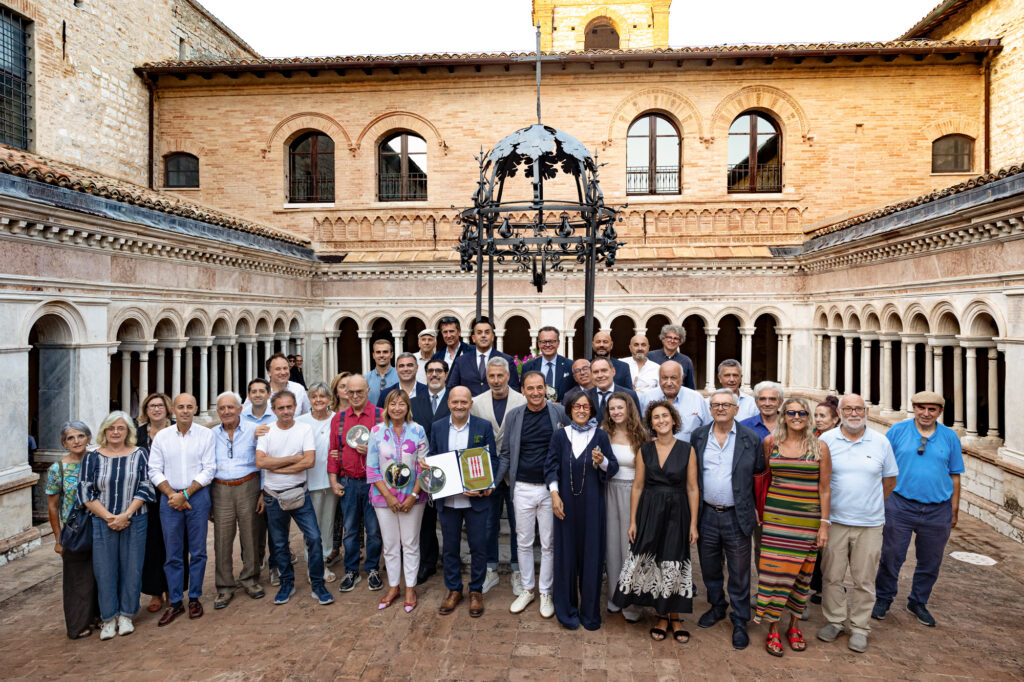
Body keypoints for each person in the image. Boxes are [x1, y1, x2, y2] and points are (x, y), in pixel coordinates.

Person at [873, 390, 964, 628]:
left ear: (940, 412)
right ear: (913, 408)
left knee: (931, 561)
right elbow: (882, 467)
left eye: (932, 409)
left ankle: (918, 601)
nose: (926, 413)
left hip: (937, 509)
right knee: (892, 556)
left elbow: (955, 475)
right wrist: (880, 499)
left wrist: (954, 509)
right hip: (900, 504)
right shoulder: (898, 431)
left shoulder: (949, 437)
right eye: (921, 408)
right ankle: (883, 598)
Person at [817, 394, 898, 653]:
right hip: (835, 521)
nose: (854, 413)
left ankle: (860, 627)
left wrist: (868, 504)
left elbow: (890, 481)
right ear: (839, 413)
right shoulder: (826, 440)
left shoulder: (881, 442)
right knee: (832, 575)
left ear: (867, 412)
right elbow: (820, 481)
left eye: (859, 409)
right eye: (848, 409)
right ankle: (835, 620)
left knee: (864, 579)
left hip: (870, 524)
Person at [613, 400, 699, 641]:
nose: (661, 421)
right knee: (654, 561)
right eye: (656, 417)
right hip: (650, 510)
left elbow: (692, 488)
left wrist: (693, 524)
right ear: (651, 424)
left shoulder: (687, 450)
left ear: (673, 419)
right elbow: (637, 486)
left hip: (677, 511)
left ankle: (675, 617)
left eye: (665, 416)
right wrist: (633, 521)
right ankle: (662, 616)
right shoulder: (645, 450)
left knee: (674, 561)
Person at [755, 397, 831, 657]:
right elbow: (767, 478)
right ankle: (773, 627)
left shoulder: (820, 446)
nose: (796, 417)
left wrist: (824, 525)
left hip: (807, 520)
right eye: (791, 412)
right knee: (774, 574)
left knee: (802, 575)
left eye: (801, 413)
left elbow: (825, 488)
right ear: (783, 416)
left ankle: (794, 626)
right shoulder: (770, 442)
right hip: (776, 518)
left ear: (808, 417)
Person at [691, 389, 766, 650]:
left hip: (737, 515)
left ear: (736, 409)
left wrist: (755, 507)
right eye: (715, 405)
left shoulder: (750, 438)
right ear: (710, 409)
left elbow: (758, 473)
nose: (721, 408)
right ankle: (717, 605)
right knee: (710, 567)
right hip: (707, 513)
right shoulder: (699, 436)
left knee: (739, 571)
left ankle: (740, 618)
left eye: (726, 404)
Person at [547, 389, 619, 630]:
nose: (581, 410)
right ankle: (567, 611)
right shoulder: (560, 435)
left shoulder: (600, 436)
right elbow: (551, 466)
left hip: (592, 505)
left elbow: (613, 466)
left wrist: (602, 462)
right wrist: (554, 494)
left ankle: (589, 613)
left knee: (591, 557)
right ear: (569, 410)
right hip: (564, 504)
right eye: (576, 406)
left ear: (591, 410)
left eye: (585, 406)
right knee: (566, 556)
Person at [79, 411, 154, 640]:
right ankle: (109, 618)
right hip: (102, 521)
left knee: (132, 568)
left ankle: (127, 615)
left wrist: (126, 514)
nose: (115, 432)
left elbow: (146, 485)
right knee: (105, 570)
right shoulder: (92, 457)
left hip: (135, 518)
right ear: (104, 430)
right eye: (111, 428)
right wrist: (109, 517)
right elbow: (85, 491)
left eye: (121, 428)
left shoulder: (140, 454)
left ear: (128, 431)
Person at [255, 391, 334, 606]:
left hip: (299, 493)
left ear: (295, 407)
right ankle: (286, 583)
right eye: (281, 408)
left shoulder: (303, 428)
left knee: (314, 538)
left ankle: (317, 584)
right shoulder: (267, 430)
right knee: (279, 543)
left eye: (289, 407)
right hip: (273, 496)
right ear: (273, 410)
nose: (286, 411)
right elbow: (261, 462)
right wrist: (292, 460)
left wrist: (276, 466)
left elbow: (309, 461)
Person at [148, 393, 215, 626]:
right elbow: (154, 469)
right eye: (180, 407)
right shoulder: (162, 437)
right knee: (173, 553)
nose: (185, 411)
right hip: (169, 499)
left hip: (197, 497)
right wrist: (172, 494)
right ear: (173, 410)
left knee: (198, 551)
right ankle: (175, 602)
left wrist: (185, 495)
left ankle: (194, 598)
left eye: (189, 406)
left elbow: (209, 469)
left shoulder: (206, 434)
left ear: (196, 409)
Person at [499, 371, 562, 618]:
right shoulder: (514, 416)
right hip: (522, 487)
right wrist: (493, 483)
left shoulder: (559, 413)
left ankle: (545, 591)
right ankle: (527, 589)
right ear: (523, 390)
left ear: (546, 388)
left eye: (539, 387)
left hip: (550, 488)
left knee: (548, 543)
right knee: (523, 542)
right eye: (530, 388)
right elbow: (506, 453)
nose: (536, 393)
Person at [432, 386, 497, 618]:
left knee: (478, 547)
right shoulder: (438, 427)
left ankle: (476, 590)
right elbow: (434, 457)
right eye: (455, 402)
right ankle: (454, 590)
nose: (459, 406)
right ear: (448, 403)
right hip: (448, 500)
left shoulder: (483, 426)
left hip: (475, 500)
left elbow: (492, 459)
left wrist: (486, 484)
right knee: (450, 548)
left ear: (471, 403)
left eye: (464, 402)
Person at [366, 389, 428, 612]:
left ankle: (410, 587)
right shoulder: (376, 431)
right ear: (386, 407)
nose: (397, 408)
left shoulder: (418, 430)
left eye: (401, 404)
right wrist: (389, 496)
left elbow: (423, 466)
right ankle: (394, 586)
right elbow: (372, 469)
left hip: (413, 497)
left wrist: (413, 495)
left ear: (407, 407)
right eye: (392, 404)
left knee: (410, 543)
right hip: (384, 498)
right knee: (390, 544)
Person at [470, 356, 526, 595]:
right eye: (491, 376)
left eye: (500, 375)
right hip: (487, 475)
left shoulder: (522, 400)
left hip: (516, 473)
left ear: (508, 376)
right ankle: (490, 569)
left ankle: (517, 571)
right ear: (487, 378)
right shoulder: (476, 402)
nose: (496, 380)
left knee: (518, 525)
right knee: (488, 524)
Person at [328, 374, 385, 592]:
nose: (354, 396)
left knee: (374, 529)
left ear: (368, 391)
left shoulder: (381, 416)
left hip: (374, 483)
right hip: (349, 482)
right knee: (350, 530)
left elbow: (390, 450)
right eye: (350, 392)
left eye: (359, 391)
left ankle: (372, 568)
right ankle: (351, 570)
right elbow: (333, 452)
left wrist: (372, 450)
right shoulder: (339, 419)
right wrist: (334, 481)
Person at [211, 391, 266, 610]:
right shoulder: (211, 434)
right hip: (220, 488)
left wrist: (262, 492)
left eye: (230, 407)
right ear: (218, 411)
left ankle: (250, 579)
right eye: (222, 408)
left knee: (251, 534)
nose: (226, 412)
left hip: (248, 485)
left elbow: (263, 461)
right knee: (222, 539)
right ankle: (224, 586)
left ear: (240, 409)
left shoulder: (254, 430)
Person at [46, 421, 99, 639]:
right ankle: (78, 624)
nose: (76, 441)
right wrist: (58, 539)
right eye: (71, 438)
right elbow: (52, 507)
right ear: (64, 443)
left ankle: (98, 616)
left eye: (80, 436)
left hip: (99, 525)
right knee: (77, 580)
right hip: (74, 531)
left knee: (99, 574)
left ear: (88, 438)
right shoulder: (57, 469)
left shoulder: (98, 461)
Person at [601, 393, 648, 624]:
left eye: (620, 407)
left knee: (630, 546)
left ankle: (632, 601)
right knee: (611, 545)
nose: (616, 412)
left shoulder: (641, 434)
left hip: (633, 492)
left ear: (629, 408)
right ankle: (615, 596)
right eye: (612, 408)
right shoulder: (603, 432)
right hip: (608, 490)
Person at [135, 392, 178, 614]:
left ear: (167, 408)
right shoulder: (138, 434)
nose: (156, 409)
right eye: (152, 406)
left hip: (171, 492)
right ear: (146, 410)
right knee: (151, 544)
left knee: (173, 542)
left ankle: (173, 588)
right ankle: (155, 592)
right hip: (146, 495)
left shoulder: (177, 430)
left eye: (160, 405)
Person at [409, 358, 450, 584]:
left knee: (450, 520)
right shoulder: (414, 403)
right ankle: (428, 563)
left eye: (439, 371)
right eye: (430, 371)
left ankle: (451, 562)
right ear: (425, 375)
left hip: (448, 468)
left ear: (446, 374)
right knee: (425, 521)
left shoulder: (455, 399)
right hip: (422, 469)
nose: (434, 374)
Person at [296, 382, 337, 583]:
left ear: (329, 399)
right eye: (314, 396)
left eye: (322, 396)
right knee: (311, 528)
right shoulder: (300, 422)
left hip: (330, 481)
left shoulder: (337, 418)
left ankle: (323, 562)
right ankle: (313, 565)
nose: (318, 400)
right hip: (308, 481)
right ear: (309, 399)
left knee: (327, 524)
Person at [241, 378, 275, 582]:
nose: (258, 394)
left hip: (273, 476)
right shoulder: (241, 417)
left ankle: (275, 566)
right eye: (254, 391)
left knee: (276, 526)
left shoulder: (277, 415)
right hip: (250, 478)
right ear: (248, 395)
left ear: (269, 394)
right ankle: (254, 563)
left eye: (262, 391)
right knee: (252, 526)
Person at [809, 394, 840, 603]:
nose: (818, 419)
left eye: (823, 416)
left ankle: (826, 587)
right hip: (813, 498)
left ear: (835, 419)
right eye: (816, 415)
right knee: (816, 547)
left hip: (833, 497)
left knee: (830, 548)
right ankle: (817, 585)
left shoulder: (839, 439)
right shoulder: (812, 435)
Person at [639, 361, 711, 443]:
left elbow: (709, 429)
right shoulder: (646, 398)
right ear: (659, 378)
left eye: (673, 378)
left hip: (691, 450)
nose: (669, 383)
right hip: (655, 450)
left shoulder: (696, 399)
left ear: (682, 378)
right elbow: (640, 429)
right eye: (664, 378)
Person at [447, 316, 521, 395]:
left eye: (487, 332)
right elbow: (452, 388)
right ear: (473, 338)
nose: (483, 335)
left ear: (492, 337)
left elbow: (514, 389)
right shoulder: (461, 361)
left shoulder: (507, 360)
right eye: (479, 332)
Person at [326, 371, 352, 566]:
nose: (347, 390)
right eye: (343, 387)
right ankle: (334, 547)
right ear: (336, 390)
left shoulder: (359, 411)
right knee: (334, 512)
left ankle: (355, 548)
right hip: (332, 469)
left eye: (350, 386)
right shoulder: (329, 414)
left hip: (352, 470)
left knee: (353, 514)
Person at [244, 353, 311, 416]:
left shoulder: (299, 389)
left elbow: (307, 415)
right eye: (278, 369)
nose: (283, 372)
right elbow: (244, 416)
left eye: (285, 368)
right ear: (269, 372)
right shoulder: (257, 392)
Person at [521, 326, 574, 401]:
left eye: (552, 341)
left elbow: (575, 392)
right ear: (539, 344)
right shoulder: (528, 367)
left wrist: (561, 404)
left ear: (558, 343)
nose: (548, 345)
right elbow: (523, 393)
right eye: (543, 342)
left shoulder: (570, 365)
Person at [646, 324, 696, 390]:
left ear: (680, 342)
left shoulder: (686, 361)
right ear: (663, 339)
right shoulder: (650, 357)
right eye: (669, 337)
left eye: (676, 338)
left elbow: (690, 388)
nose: (672, 341)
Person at [367, 340, 399, 407]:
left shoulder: (400, 376)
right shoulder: (365, 379)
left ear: (391, 354)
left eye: (385, 352)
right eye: (378, 352)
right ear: (373, 355)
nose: (381, 355)